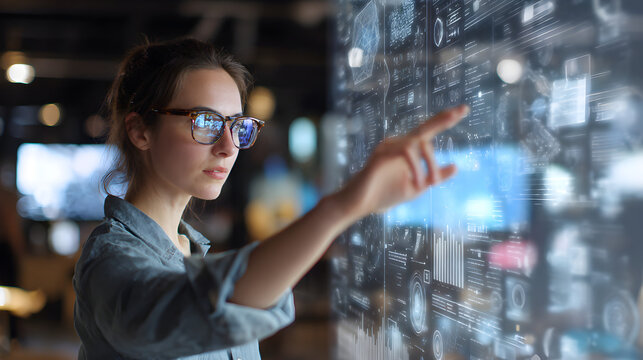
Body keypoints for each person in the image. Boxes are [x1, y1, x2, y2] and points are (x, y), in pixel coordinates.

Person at [72, 37, 470, 359]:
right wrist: (343, 207)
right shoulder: (111, 258)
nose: (229, 147)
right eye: (207, 122)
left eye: (238, 126)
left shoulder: (191, 252)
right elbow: (189, 308)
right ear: (140, 131)